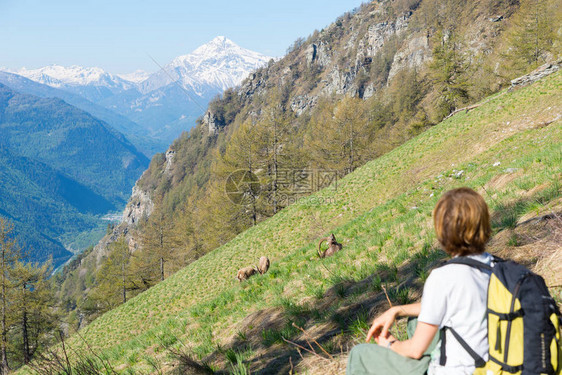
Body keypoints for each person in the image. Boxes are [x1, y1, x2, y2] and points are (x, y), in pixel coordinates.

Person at [347, 187, 493, 375]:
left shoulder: (444, 277)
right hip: (492, 364)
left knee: (360, 354)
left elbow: (415, 350)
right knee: (415, 321)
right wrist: (397, 310)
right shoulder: (501, 269)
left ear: (442, 232)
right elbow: (440, 305)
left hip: (459, 369)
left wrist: (390, 344)